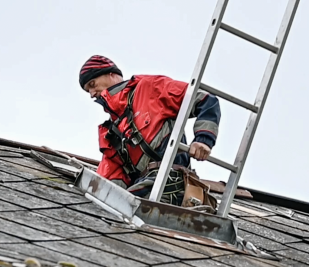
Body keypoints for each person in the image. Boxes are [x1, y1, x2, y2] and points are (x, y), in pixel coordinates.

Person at [79, 55, 221, 205]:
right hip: (143, 189)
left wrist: (204, 140)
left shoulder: (149, 88)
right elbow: (109, 182)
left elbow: (205, 99)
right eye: (88, 90)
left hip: (170, 180)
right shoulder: (111, 134)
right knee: (115, 208)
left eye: (92, 84)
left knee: (129, 206)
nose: (92, 93)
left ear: (111, 74)